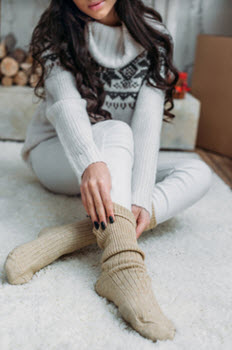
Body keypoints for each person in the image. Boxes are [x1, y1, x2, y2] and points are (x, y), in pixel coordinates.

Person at [4, 0, 213, 343]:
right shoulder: (58, 30)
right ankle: (123, 266)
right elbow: (67, 105)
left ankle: (74, 235)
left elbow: (147, 126)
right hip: (57, 154)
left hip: (115, 160)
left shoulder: (152, 35)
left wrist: (142, 196)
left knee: (198, 173)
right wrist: (90, 161)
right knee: (116, 130)